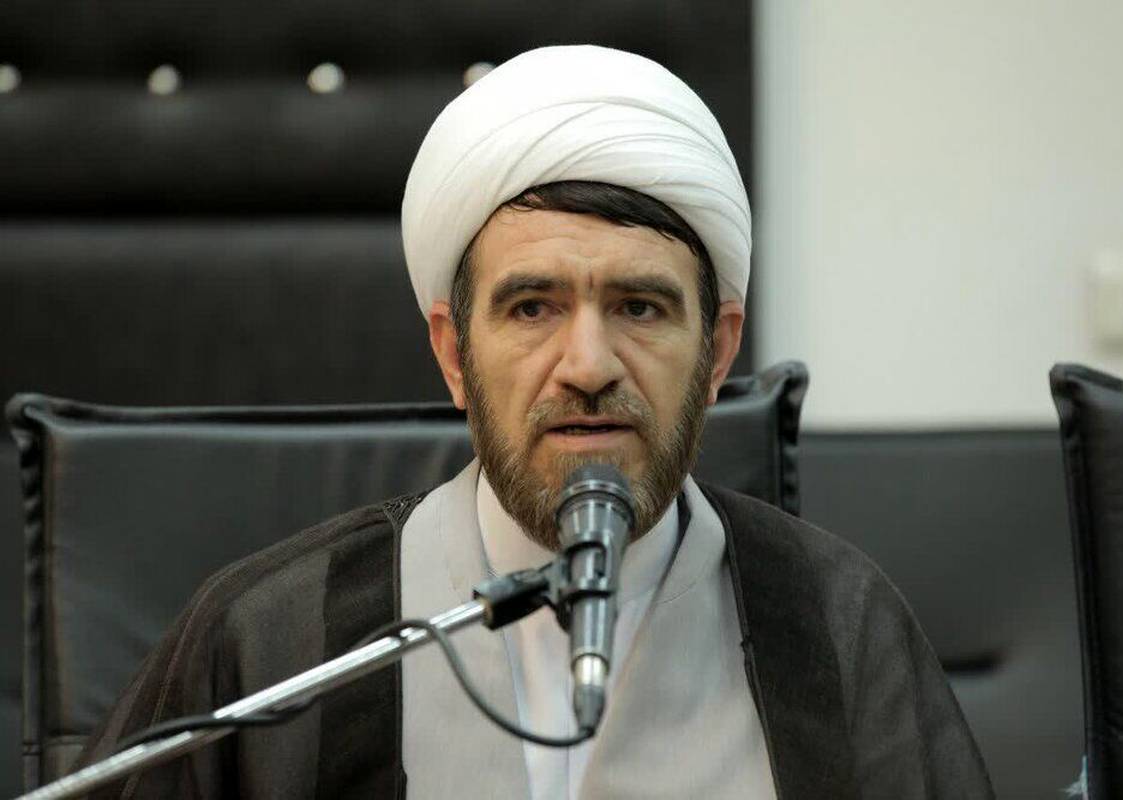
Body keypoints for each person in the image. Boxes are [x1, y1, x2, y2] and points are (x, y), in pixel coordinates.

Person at [77, 45, 993, 798]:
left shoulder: (840, 628)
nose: (588, 365)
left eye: (639, 307)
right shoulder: (277, 640)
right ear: (454, 354)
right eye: (532, 307)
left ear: (717, 353)